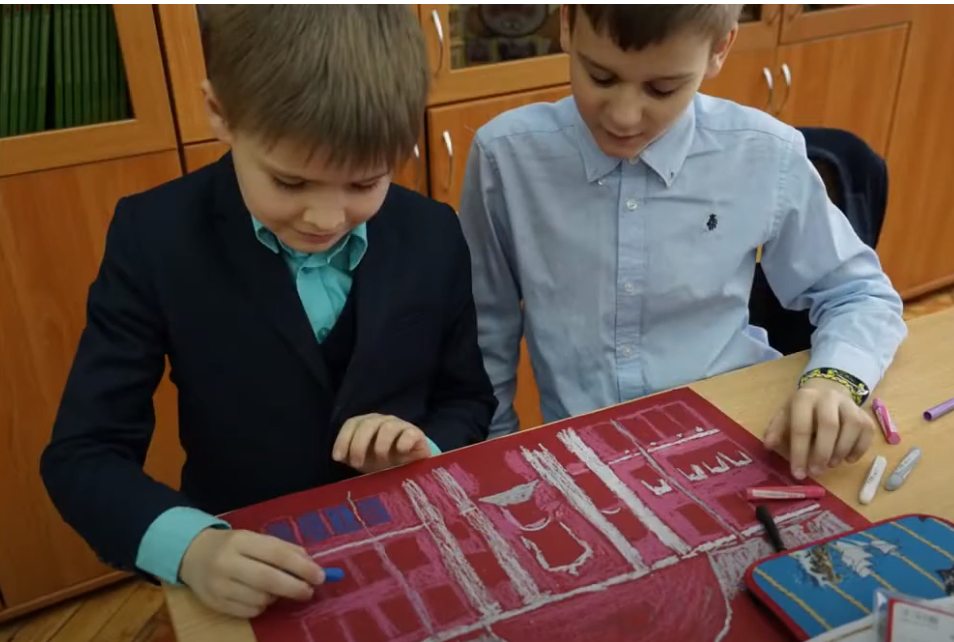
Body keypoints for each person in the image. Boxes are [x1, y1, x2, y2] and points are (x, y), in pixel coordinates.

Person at [41, 6, 496, 619]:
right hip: (239, 562)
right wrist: (192, 549)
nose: (326, 219)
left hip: (407, 545)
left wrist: (426, 445)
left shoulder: (433, 232)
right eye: (289, 182)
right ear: (219, 112)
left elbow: (467, 398)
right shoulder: (154, 237)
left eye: (364, 183)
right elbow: (83, 453)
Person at [458, 6, 905, 479]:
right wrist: (493, 457)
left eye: (662, 89)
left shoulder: (765, 154)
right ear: (567, 26)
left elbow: (860, 294)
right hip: (589, 456)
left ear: (719, 50)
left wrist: (832, 383)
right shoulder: (506, 158)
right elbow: (486, 330)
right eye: (600, 77)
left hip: (741, 436)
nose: (624, 116)